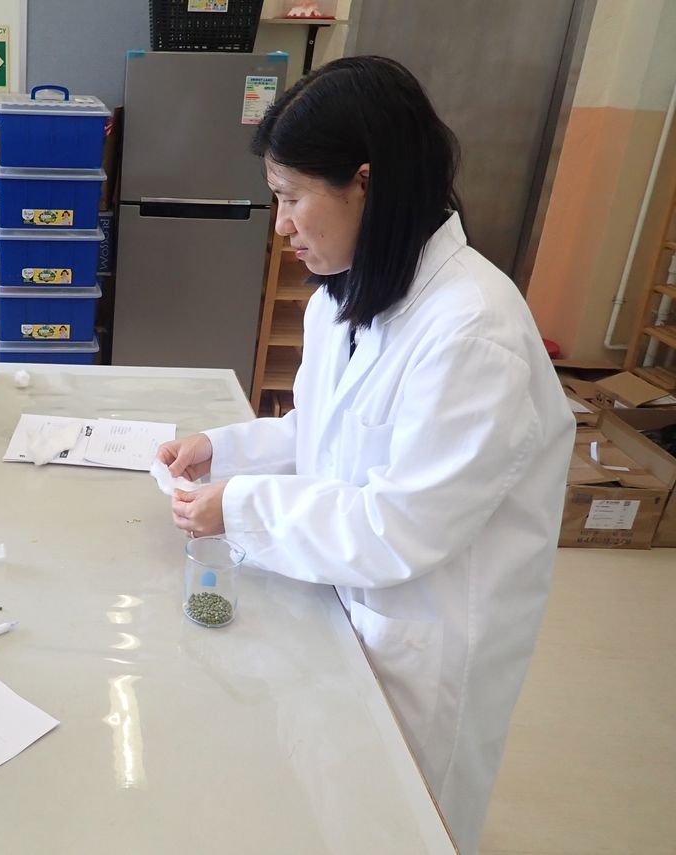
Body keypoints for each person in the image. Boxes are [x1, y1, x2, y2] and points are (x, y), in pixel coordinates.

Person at [157, 56, 574, 855]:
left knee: (404, 822)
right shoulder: (347, 297)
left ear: (365, 183)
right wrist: (222, 451)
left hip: (424, 643)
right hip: (343, 606)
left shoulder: (473, 330)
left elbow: (399, 523)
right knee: (330, 803)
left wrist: (237, 506)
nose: (281, 225)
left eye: (292, 197)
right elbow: (320, 432)